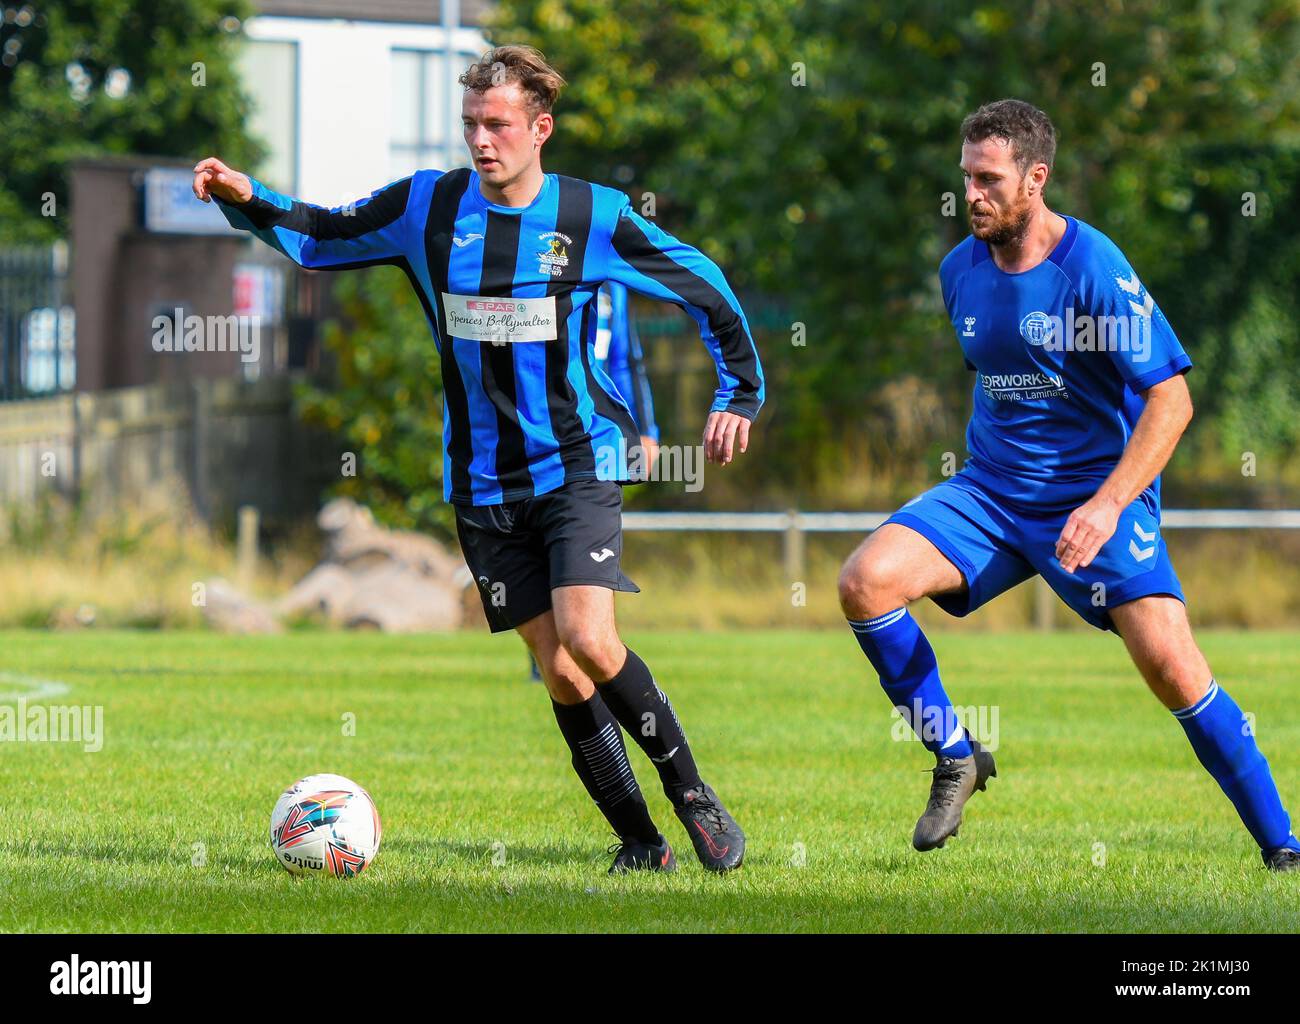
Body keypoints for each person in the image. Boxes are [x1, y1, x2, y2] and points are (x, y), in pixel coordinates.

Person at [193, 44, 763, 874]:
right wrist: (249, 200)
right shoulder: (426, 207)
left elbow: (702, 281)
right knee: (560, 671)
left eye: (497, 124)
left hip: (578, 463)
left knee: (590, 638)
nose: (480, 139)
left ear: (541, 128)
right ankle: (641, 844)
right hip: (482, 485)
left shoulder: (590, 216)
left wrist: (736, 393)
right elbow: (320, 237)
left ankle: (694, 797)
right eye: (470, 124)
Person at [837, 98, 1300, 871]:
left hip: (1095, 495)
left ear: (1036, 178)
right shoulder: (960, 272)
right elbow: (1002, 384)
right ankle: (957, 755)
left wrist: (1108, 502)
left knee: (1174, 671)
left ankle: (1284, 847)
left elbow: (1172, 398)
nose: (971, 196)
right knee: (865, 583)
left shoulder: (1092, 268)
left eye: (989, 180)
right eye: (965, 178)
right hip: (989, 493)